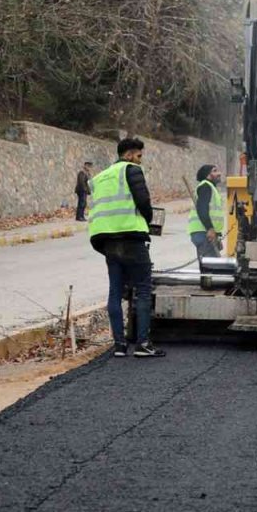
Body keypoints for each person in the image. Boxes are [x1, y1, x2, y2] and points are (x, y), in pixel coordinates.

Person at [88, 138, 164, 358]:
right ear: (130, 154)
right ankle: (142, 344)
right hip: (132, 238)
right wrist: (149, 219)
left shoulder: (100, 177)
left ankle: (119, 345)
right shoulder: (132, 170)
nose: (140, 160)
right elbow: (143, 201)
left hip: (108, 242)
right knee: (142, 289)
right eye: (139, 156)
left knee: (115, 291)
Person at [188, 164, 224, 258]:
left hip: (204, 232)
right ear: (208, 175)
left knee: (209, 267)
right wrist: (210, 228)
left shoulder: (209, 187)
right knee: (212, 268)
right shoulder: (205, 186)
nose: (219, 173)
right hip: (204, 232)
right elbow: (202, 209)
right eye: (215, 171)